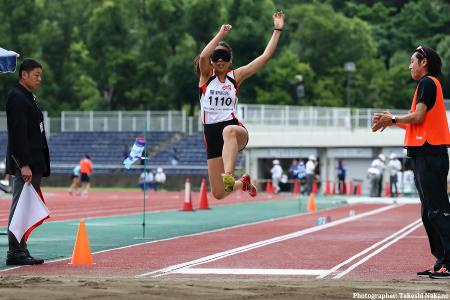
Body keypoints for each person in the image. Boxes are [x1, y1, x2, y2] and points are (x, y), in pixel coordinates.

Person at [372, 46, 450, 279]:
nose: (409, 65)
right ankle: (442, 261)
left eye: (412, 61)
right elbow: (416, 122)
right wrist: (392, 121)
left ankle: (449, 261)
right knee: (428, 213)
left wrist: (393, 118)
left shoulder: (427, 82)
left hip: (430, 152)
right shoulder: (425, 85)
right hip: (422, 153)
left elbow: (417, 117)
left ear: (423, 61)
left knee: (438, 210)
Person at [195, 11, 284, 199]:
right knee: (219, 193)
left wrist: (277, 29)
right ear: (212, 60)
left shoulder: (235, 77)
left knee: (228, 131)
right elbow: (203, 57)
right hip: (211, 136)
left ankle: (228, 175)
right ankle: (241, 182)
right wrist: (221, 34)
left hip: (235, 132)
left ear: (230, 61)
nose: (220, 60)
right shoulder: (205, 78)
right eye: (216, 56)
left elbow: (265, 57)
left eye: (224, 57)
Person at [5, 58, 49, 265]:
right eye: (36, 75)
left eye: (41, 75)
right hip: (26, 163)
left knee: (27, 206)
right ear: (24, 75)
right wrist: (24, 163)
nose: (40, 79)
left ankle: (21, 248)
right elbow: (18, 135)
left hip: (34, 162)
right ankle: (15, 250)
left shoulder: (28, 97)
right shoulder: (17, 97)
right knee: (20, 205)